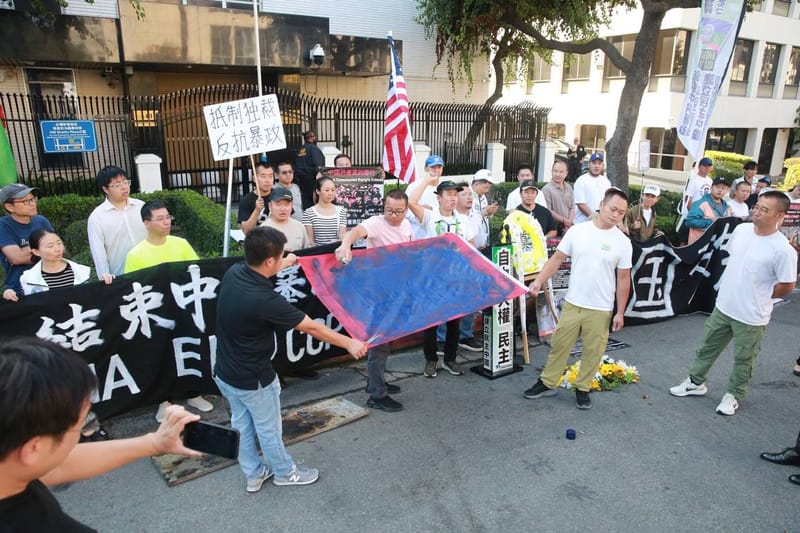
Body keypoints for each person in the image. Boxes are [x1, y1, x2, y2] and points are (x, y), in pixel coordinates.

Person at [214, 226, 368, 490]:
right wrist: (349, 343)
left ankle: (253, 474)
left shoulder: (235, 272)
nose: (283, 257)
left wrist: (287, 261)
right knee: (269, 430)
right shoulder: (264, 300)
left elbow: (264, 269)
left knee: (242, 425)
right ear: (269, 261)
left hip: (225, 373)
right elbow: (311, 327)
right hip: (255, 379)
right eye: (280, 255)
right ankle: (284, 472)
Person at [0, 336, 202, 532]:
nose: (80, 435)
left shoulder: (12, 465)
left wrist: (153, 444)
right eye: (79, 426)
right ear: (33, 448)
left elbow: (60, 466)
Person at [669, 190, 797, 416]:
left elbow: (787, 285)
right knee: (707, 347)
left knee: (744, 359)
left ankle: (733, 395)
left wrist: (762, 295)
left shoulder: (783, 249)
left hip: (751, 315)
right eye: (757, 207)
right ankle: (695, 381)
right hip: (724, 306)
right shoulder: (742, 230)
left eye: (764, 210)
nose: (757, 212)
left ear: (780, 216)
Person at [522, 188, 632, 410]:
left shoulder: (623, 242)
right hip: (573, 302)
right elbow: (556, 259)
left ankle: (583, 387)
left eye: (621, 213)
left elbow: (623, 279)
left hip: (601, 307)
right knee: (559, 345)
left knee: (593, 350)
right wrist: (538, 280)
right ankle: (547, 382)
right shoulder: (578, 231)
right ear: (601, 204)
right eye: (613, 209)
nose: (616, 215)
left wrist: (620, 312)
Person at [124, 200, 214, 421]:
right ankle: (163, 401)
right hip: (156, 315)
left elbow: (196, 272)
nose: (166, 222)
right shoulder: (136, 254)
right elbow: (133, 288)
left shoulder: (181, 244)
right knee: (161, 355)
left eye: (168, 217)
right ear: (146, 223)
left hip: (184, 309)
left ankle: (194, 393)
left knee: (190, 348)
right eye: (160, 219)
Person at [335, 190, 412, 412]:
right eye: (389, 211)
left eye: (398, 211)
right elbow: (355, 232)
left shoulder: (407, 225)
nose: (393, 216)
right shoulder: (376, 223)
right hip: (379, 294)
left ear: (406, 210)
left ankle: (375, 382)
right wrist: (346, 245)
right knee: (378, 343)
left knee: (388, 340)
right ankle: (377, 395)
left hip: (398, 291)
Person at [408, 174, 475, 378]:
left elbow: (471, 246)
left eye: (456, 194)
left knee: (454, 321)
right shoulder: (430, 217)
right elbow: (411, 202)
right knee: (432, 321)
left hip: (456, 278)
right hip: (433, 278)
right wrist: (427, 181)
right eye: (449, 194)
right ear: (439, 197)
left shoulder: (463, 220)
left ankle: (450, 359)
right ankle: (431, 360)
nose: (453, 198)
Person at [87, 166, 146, 281]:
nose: (124, 187)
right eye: (118, 185)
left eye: (125, 182)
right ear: (105, 189)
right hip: (122, 276)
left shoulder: (141, 206)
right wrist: (104, 275)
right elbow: (98, 251)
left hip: (150, 269)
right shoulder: (97, 217)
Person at [0, 183, 54, 302]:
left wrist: (28, 251)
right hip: (18, 290)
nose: (32, 204)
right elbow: (17, 258)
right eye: (25, 201)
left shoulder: (41, 221)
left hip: (50, 283)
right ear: (9, 207)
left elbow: (57, 250)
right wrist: (45, 249)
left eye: (33, 199)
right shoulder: (3, 226)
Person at [21, 229, 112, 295]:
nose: (57, 249)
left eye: (59, 243)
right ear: (36, 252)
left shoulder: (83, 272)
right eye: (50, 246)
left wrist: (107, 281)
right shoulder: (28, 279)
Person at [685, 177, 732, 244]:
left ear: (726, 190)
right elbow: (689, 221)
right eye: (717, 187)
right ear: (711, 187)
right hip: (699, 245)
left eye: (723, 188)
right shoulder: (700, 204)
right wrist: (711, 222)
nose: (720, 190)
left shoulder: (728, 207)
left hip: (716, 245)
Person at [263, 186, 311, 252]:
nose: (283, 209)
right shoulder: (263, 230)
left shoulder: (299, 226)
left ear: (291, 205)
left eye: (286, 205)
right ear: (270, 206)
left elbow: (307, 252)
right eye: (278, 204)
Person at [302, 176, 347, 246]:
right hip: (317, 251)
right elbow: (309, 240)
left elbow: (342, 235)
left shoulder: (341, 211)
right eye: (327, 190)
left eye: (333, 190)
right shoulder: (309, 213)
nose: (330, 193)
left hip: (336, 250)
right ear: (318, 191)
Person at [572, 153, 611, 224]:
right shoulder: (581, 180)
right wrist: (594, 218)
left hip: (600, 224)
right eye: (594, 163)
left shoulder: (606, 182)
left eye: (599, 163)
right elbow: (581, 204)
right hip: (582, 223)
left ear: (603, 165)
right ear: (589, 164)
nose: (597, 166)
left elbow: (608, 202)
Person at [238, 159, 275, 234]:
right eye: (263, 176)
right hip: (257, 239)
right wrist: (257, 210)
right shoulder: (246, 200)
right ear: (254, 178)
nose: (267, 180)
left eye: (270, 176)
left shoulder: (278, 195)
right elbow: (246, 230)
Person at [541, 160, 575, 235]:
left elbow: (572, 207)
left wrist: (569, 223)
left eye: (561, 172)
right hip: (553, 229)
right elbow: (548, 210)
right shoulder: (546, 189)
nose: (558, 174)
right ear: (551, 172)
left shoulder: (569, 187)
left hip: (568, 227)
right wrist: (564, 221)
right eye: (555, 171)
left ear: (566, 173)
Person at [469, 169, 499, 251]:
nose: (487, 190)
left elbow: (485, 218)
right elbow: (469, 220)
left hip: (483, 244)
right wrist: (485, 212)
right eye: (485, 187)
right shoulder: (467, 196)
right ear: (476, 184)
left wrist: (490, 212)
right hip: (471, 246)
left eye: (488, 188)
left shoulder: (483, 197)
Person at [295, 130, 325, 209]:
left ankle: (306, 214)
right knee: (313, 200)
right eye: (314, 136)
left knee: (305, 199)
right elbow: (318, 162)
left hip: (301, 179)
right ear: (312, 138)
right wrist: (319, 173)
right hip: (312, 179)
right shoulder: (313, 148)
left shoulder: (300, 149)